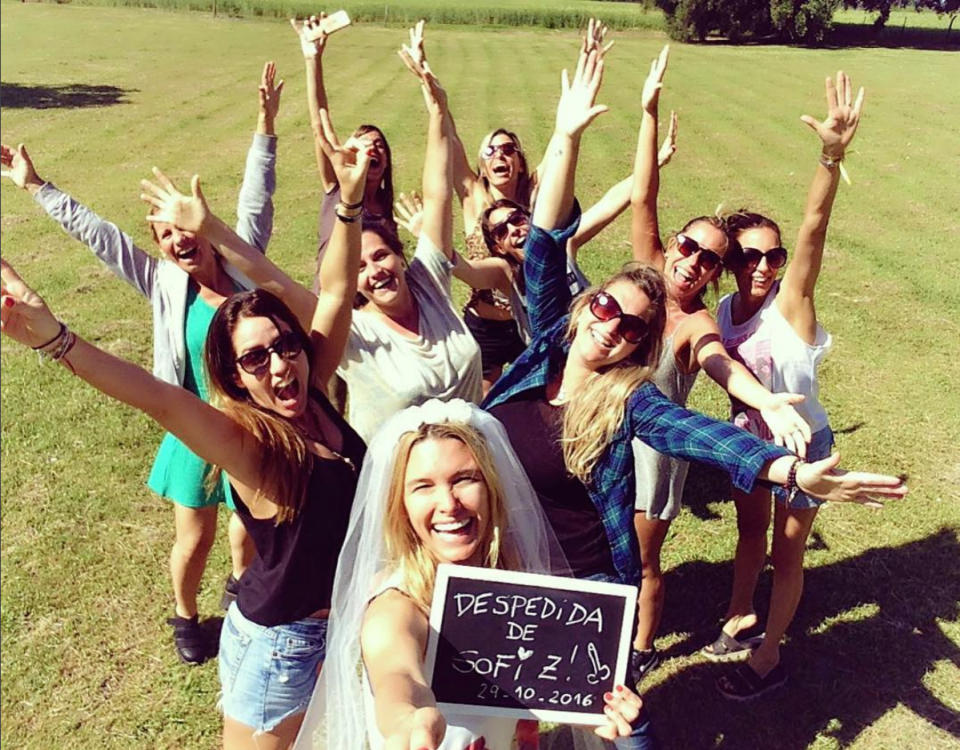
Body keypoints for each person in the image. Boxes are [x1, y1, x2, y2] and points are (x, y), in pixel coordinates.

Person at [480, 45, 907, 717]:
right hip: (504, 564)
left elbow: (708, 432)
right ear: (583, 306)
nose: (613, 326)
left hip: (587, 581)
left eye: (630, 328)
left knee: (598, 722)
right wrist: (565, 137)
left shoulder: (634, 394)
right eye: (604, 307)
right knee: (503, 715)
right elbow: (542, 244)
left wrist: (792, 473)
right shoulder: (543, 353)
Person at [1, 114, 370, 748]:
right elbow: (161, 401)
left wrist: (351, 203)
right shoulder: (249, 442)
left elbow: (335, 292)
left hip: (347, 628)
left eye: (286, 346)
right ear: (235, 374)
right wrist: (57, 339)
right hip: (281, 648)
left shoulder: (311, 392)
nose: (279, 365)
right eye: (256, 359)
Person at [0, 62, 283, 665]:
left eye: (183, 228)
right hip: (191, 421)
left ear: (201, 227)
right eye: (164, 237)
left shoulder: (242, 266)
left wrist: (266, 123)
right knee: (195, 533)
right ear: (159, 247)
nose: (178, 242)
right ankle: (186, 620)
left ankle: (240, 599)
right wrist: (37, 186)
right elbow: (101, 237)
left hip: (251, 420)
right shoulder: (161, 284)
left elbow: (257, 197)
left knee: (248, 525)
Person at [293, 399, 647, 750]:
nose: (448, 504)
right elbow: (395, 671)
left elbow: (536, 677)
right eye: (423, 486)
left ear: (492, 487)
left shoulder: (510, 580)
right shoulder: (396, 603)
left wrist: (589, 703)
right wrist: (408, 718)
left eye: (464, 479)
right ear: (400, 505)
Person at [625, 46, 814, 678]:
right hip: (604, 431)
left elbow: (718, 364)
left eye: (708, 260)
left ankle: (642, 646)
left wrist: (761, 399)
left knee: (643, 555)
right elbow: (643, 193)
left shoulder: (703, 321)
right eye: (689, 247)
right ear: (672, 243)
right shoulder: (648, 270)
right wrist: (647, 109)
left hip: (656, 451)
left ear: (714, 274)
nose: (693, 262)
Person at [176, 54, 483, 442]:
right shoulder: (351, 330)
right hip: (398, 491)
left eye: (381, 256)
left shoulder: (431, 284)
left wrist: (439, 109)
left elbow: (438, 194)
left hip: (475, 461)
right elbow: (274, 281)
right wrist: (211, 229)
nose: (375, 270)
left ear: (401, 257)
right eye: (359, 268)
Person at [398, 20, 679, 392]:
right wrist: (431, 92)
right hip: (493, 320)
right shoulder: (474, 197)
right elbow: (448, 141)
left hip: (539, 324)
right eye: (491, 150)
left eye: (508, 148)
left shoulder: (540, 212)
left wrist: (649, 164)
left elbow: (577, 166)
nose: (500, 155)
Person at [706, 72, 868, 700]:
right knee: (749, 534)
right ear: (730, 263)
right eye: (749, 257)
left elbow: (813, 226)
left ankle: (769, 655)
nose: (765, 267)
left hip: (807, 450)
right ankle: (741, 615)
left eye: (771, 256)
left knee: (787, 551)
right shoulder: (721, 314)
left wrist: (831, 156)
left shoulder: (791, 304)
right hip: (751, 444)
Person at [290, 13, 398, 293]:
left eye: (379, 145)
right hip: (328, 308)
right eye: (363, 142)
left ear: (385, 164)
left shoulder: (386, 209)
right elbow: (319, 121)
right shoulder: (336, 188)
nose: (373, 147)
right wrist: (313, 59)